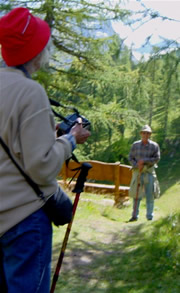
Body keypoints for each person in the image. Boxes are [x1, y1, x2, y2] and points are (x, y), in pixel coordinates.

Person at [0, 7, 90, 293]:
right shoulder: (31, 92)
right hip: (24, 220)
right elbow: (41, 168)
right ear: (36, 51)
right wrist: (70, 140)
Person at [128, 125, 160, 222]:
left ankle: (149, 217)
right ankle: (134, 216)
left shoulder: (154, 146)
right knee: (136, 195)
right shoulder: (135, 145)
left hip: (149, 172)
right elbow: (130, 157)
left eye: (148, 133)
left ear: (150, 134)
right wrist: (137, 165)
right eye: (144, 133)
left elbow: (157, 158)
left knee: (150, 194)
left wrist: (144, 161)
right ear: (141, 133)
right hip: (138, 172)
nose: (145, 134)